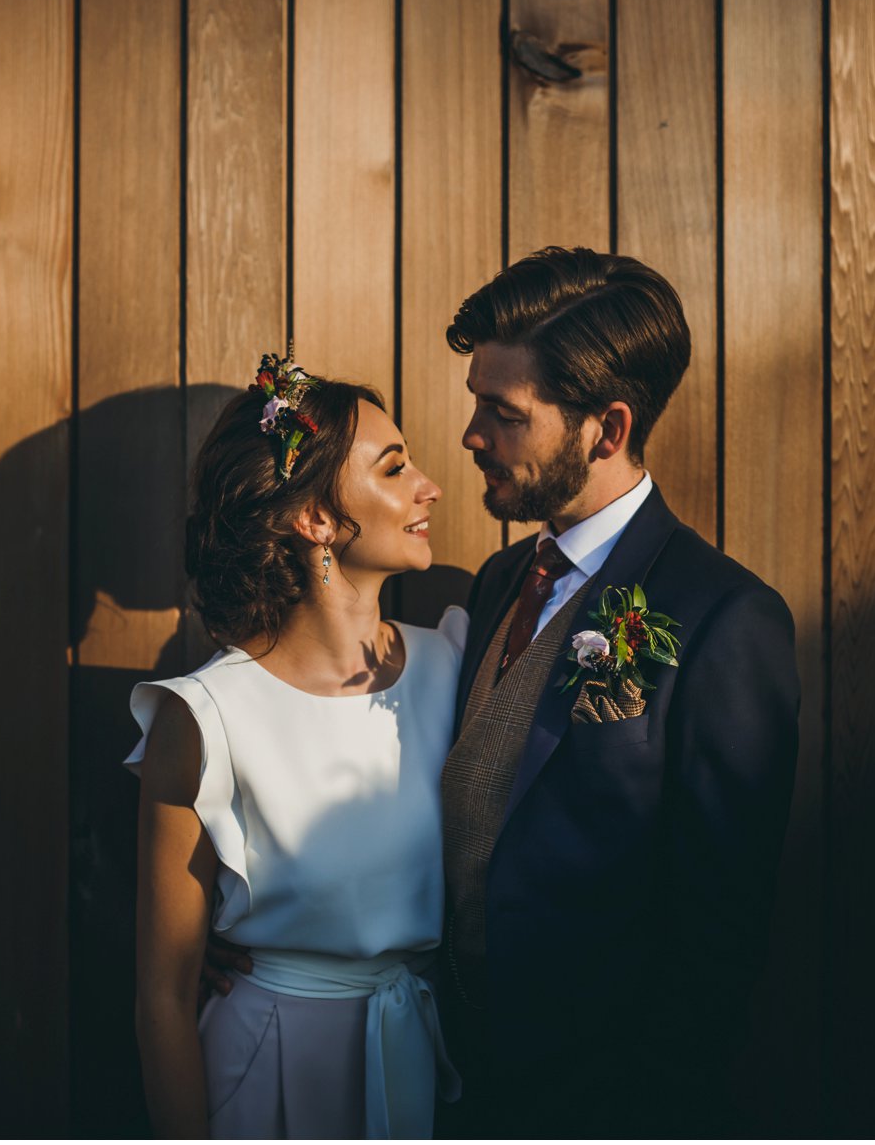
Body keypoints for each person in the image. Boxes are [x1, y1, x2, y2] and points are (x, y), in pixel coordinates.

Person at [208, 248, 803, 1137]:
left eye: (503, 412)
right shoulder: (494, 586)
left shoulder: (724, 619)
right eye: (474, 402)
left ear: (605, 428)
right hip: (448, 1087)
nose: (471, 435)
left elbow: (718, 941)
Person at [129, 357, 462, 1139]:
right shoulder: (206, 713)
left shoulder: (457, 663)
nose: (430, 485)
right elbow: (163, 997)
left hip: (417, 1051)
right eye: (395, 466)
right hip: (265, 1070)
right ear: (315, 518)